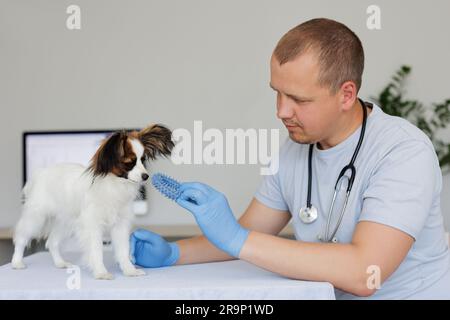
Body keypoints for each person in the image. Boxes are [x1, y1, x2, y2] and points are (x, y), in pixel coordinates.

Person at [130, 18, 450, 299]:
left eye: (298, 99)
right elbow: (243, 233)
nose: (281, 111)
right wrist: (174, 253)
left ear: (346, 94)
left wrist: (237, 237)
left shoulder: (403, 151)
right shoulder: (295, 147)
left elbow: (365, 273)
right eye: (277, 93)